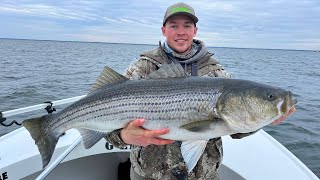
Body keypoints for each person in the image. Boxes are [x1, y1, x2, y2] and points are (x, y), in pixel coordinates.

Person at [105, 2, 296, 180]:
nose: (181, 32)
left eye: (187, 26)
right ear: (164, 30)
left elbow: (237, 130)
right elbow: (102, 119)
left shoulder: (216, 73)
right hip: (148, 174)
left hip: (203, 175)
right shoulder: (143, 68)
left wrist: (264, 119)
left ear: (195, 30)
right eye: (174, 26)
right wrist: (123, 136)